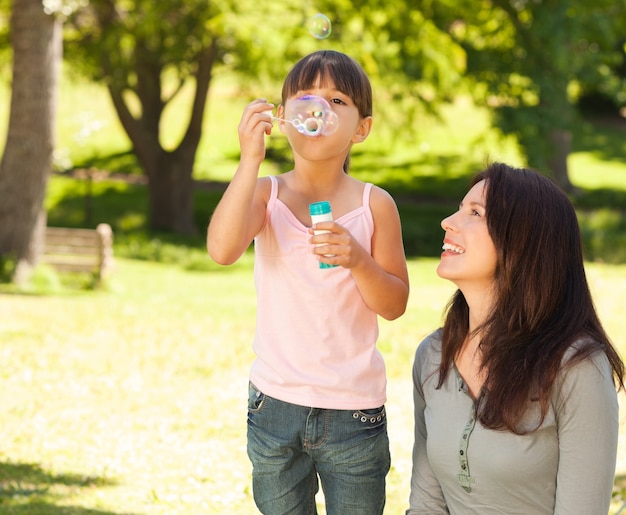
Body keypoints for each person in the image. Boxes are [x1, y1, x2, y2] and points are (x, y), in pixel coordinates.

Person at [207, 50, 409, 514]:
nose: (318, 110)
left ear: (362, 128)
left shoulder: (375, 205)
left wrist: (359, 261)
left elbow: (395, 303)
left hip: (353, 412)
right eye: (306, 99)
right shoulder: (266, 194)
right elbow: (221, 251)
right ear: (284, 118)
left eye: (337, 100)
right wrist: (248, 160)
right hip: (274, 406)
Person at [406, 162, 624, 514]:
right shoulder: (433, 355)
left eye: (475, 213)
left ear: (523, 242)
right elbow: (427, 503)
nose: (448, 222)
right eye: (460, 209)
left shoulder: (577, 367)